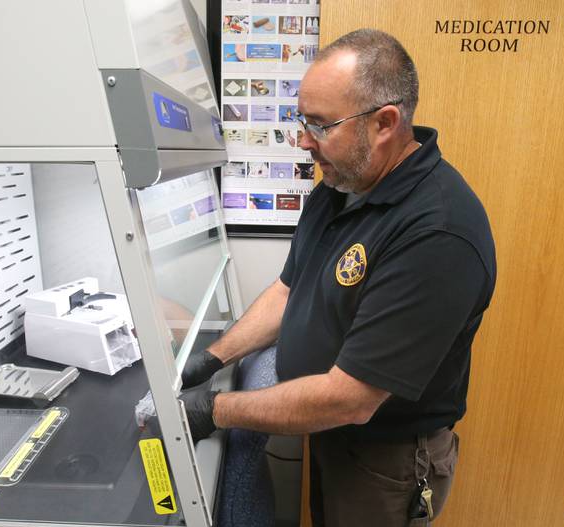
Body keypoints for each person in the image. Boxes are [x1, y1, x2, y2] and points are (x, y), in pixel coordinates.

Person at [180, 28, 496, 527]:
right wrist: (209, 360)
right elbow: (290, 291)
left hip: (385, 461)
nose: (305, 141)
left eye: (321, 125)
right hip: (330, 429)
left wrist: (213, 410)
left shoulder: (437, 232)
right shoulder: (340, 183)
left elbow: (350, 399)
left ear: (385, 123)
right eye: (301, 121)